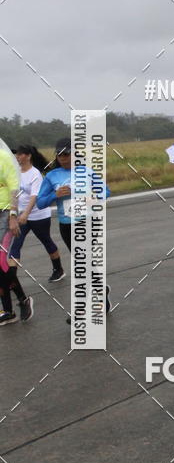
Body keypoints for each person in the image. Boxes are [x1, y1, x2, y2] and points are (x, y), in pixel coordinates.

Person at [37, 138, 111, 323]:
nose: (63, 158)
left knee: (82, 264)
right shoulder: (52, 176)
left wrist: (92, 197)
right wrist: (55, 195)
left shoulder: (86, 171)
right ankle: (101, 291)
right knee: (84, 263)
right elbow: (40, 202)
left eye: (67, 154)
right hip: (67, 225)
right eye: (60, 155)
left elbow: (106, 192)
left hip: (88, 222)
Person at [9, 145, 64, 283]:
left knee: (46, 241)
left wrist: (26, 214)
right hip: (22, 216)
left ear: (28, 156)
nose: (17, 157)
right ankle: (11, 279)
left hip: (39, 215)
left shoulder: (35, 174)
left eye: (20, 154)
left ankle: (58, 270)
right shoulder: (15, 173)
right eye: (16, 154)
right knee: (16, 245)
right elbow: (14, 195)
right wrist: (14, 215)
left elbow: (35, 196)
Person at [0, 140, 33, 324]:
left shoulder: (3, 157)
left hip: (5, 214)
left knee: (1, 261)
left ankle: (17, 304)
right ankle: (12, 307)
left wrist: (13, 215)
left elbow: (14, 188)